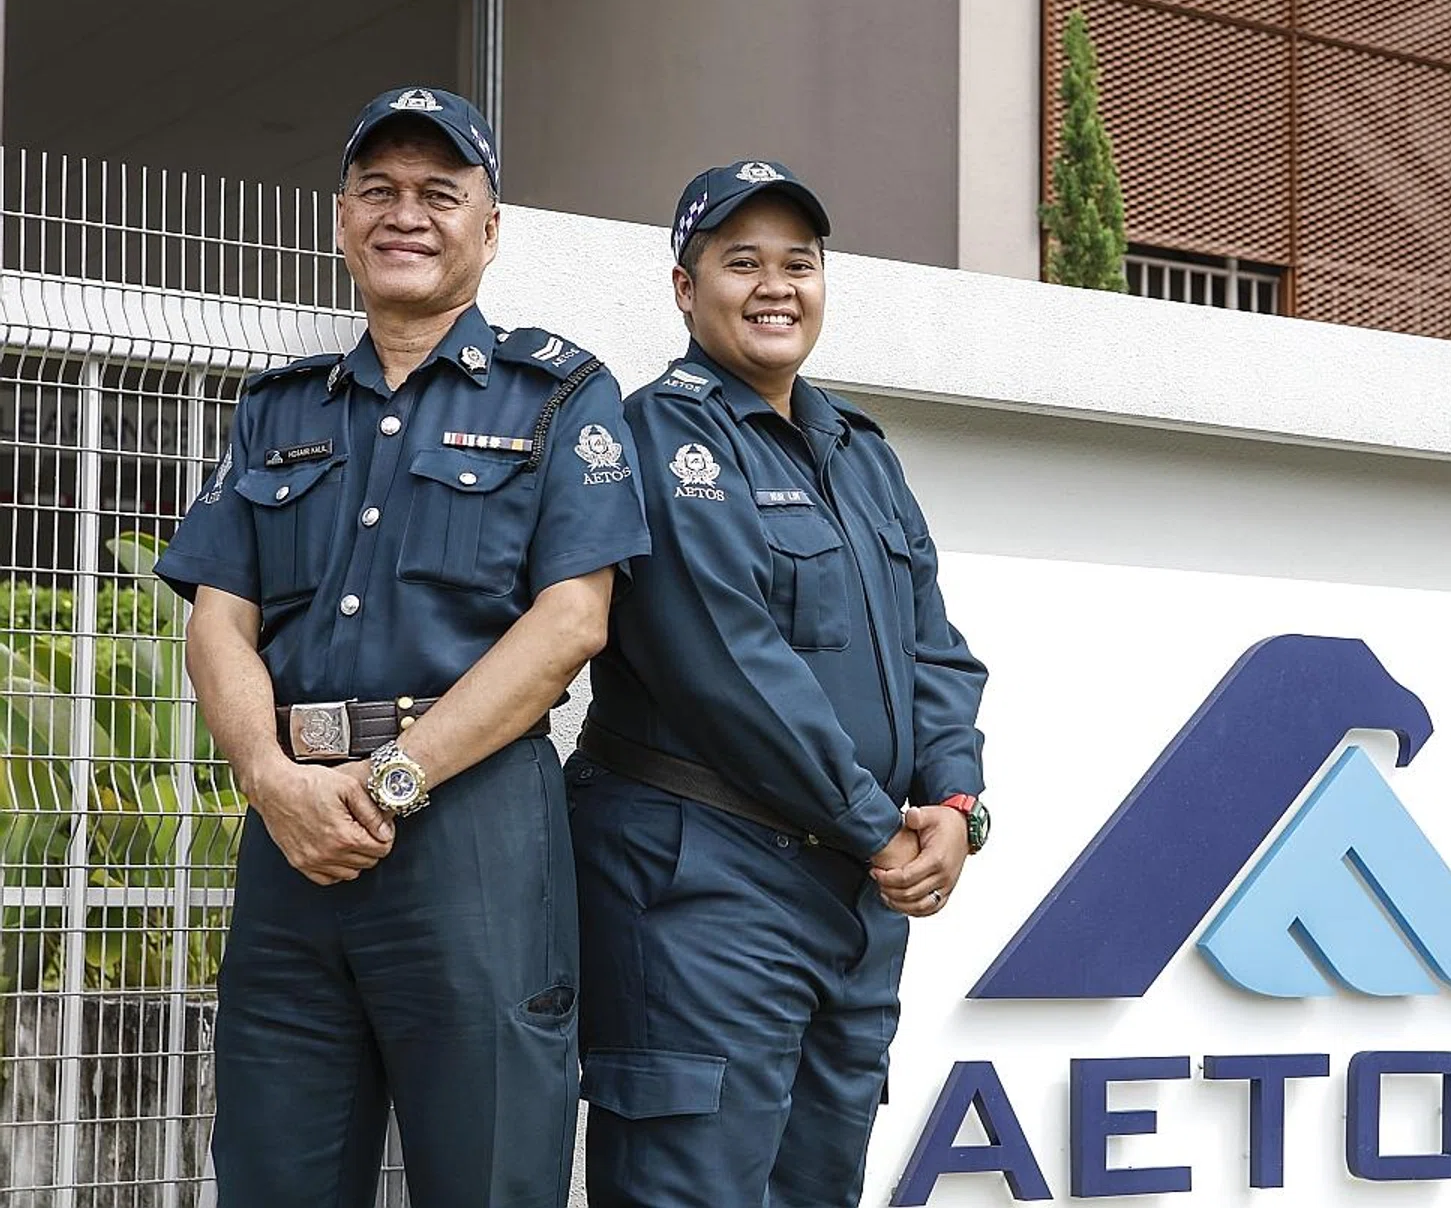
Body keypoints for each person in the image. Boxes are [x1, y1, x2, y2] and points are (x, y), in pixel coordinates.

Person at [156, 86, 648, 1207]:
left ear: (489, 224)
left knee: (485, 1178)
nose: (405, 214)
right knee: (273, 1178)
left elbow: (572, 621)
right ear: (340, 221)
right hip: (290, 835)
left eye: (439, 191)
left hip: (472, 838)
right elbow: (217, 618)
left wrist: (387, 781)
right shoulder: (277, 409)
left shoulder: (561, 394)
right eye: (378, 191)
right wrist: (272, 780)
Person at [568, 160, 991, 1206]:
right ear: (684, 288)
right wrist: (880, 828)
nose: (775, 286)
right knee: (695, 1187)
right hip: (703, 887)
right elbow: (728, 669)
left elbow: (935, 646)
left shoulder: (859, 450)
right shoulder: (661, 437)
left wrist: (953, 801)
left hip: (848, 894)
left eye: (797, 263)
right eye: (741, 262)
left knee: (818, 1187)